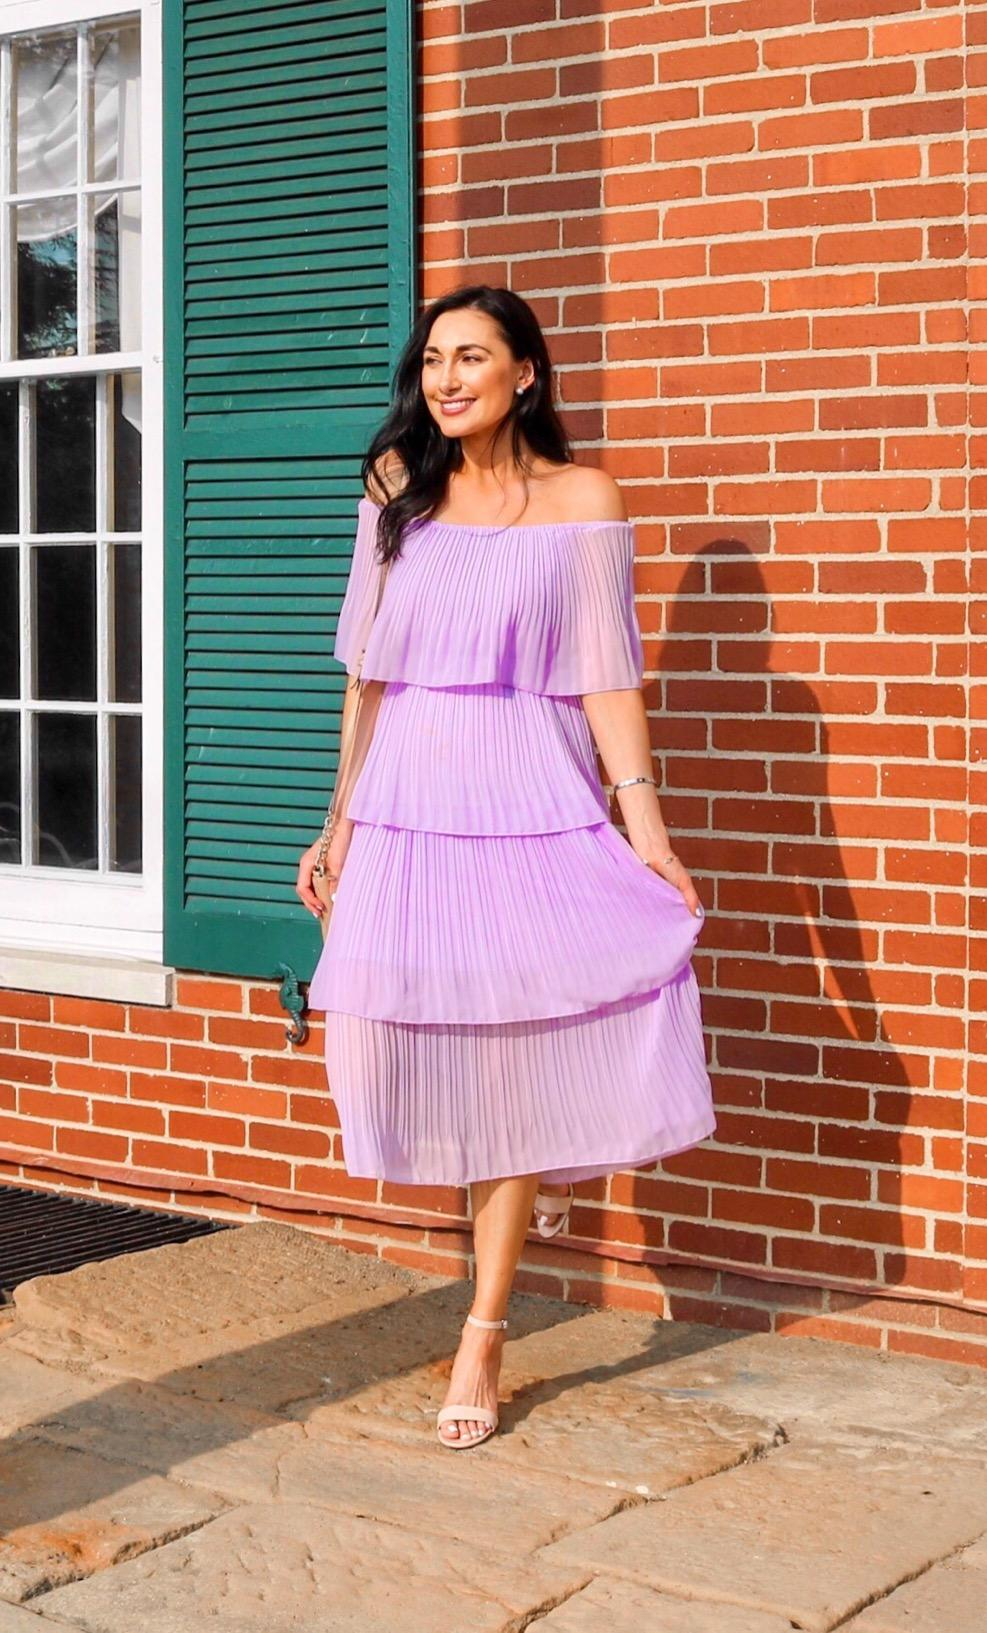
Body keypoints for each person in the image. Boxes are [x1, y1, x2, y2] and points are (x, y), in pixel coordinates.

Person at [297, 284, 715, 1450]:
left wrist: (650, 834)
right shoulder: (395, 491)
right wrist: (334, 825)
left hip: (529, 795)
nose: (445, 378)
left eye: (471, 356)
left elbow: (607, 678)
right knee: (392, 1049)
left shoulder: (584, 500)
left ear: (526, 371)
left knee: (511, 1069)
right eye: (433, 359)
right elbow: (367, 677)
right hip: (407, 804)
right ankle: (488, 1275)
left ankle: (483, 1328)